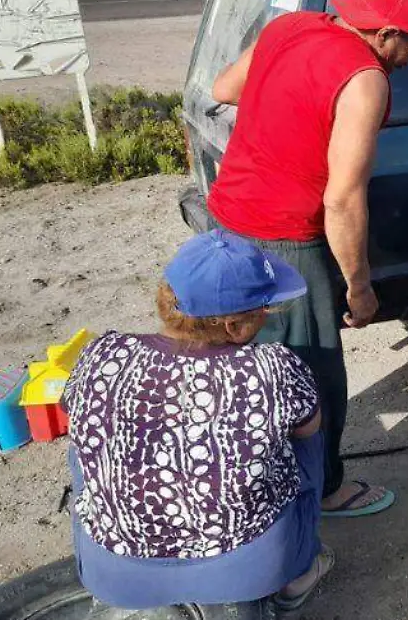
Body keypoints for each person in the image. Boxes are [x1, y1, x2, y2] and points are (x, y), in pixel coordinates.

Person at [205, 0, 408, 517]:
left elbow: (224, 88)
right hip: (284, 244)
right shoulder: (366, 80)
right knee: (311, 377)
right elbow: (341, 200)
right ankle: (326, 488)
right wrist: (359, 289)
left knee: (243, 364)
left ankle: (245, 470)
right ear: (386, 33)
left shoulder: (290, 27)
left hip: (227, 219)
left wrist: (288, 114)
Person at [62, 230, 331, 613]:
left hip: (114, 571)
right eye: (263, 312)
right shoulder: (274, 367)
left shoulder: (102, 352)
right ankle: (296, 572)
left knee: (84, 444)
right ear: (234, 327)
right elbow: (308, 430)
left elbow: (73, 414)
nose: (267, 319)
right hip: (246, 570)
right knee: (306, 442)